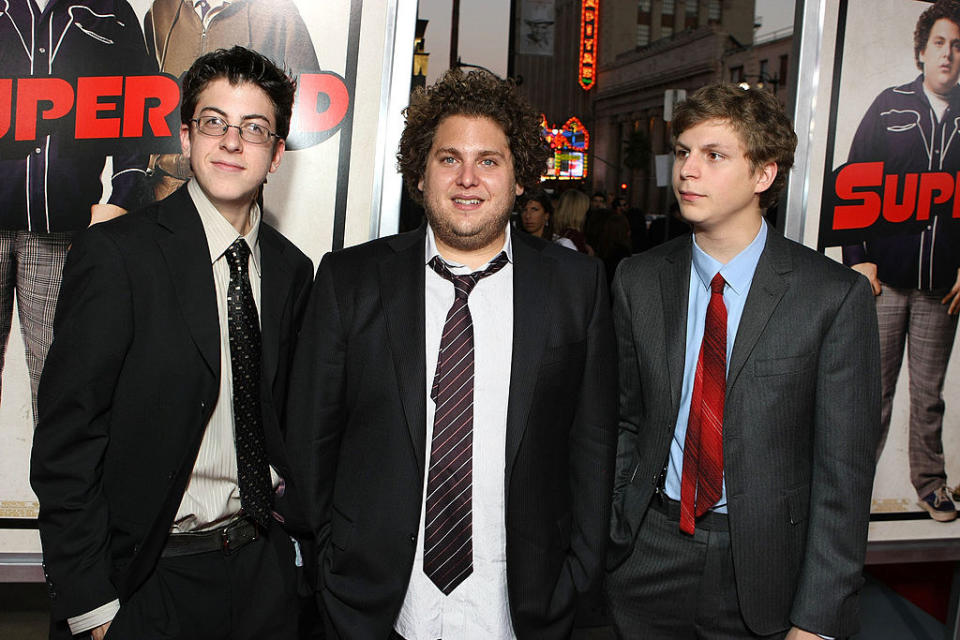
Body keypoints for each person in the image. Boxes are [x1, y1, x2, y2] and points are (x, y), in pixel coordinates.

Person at [285, 68, 618, 639]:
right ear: (420, 173)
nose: (468, 178)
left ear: (519, 180)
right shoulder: (351, 281)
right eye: (448, 159)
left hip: (522, 610)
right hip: (376, 608)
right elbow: (312, 444)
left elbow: (593, 447)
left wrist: (577, 576)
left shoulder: (576, 286)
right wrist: (331, 573)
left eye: (489, 160)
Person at [31, 46, 314, 640]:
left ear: (277, 153)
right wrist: (92, 604)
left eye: (254, 128)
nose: (232, 142)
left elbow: (290, 421)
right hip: (149, 579)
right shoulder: (118, 256)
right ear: (186, 138)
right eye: (214, 122)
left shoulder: (293, 271)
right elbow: (66, 441)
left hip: (263, 574)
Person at [606, 83, 881, 639]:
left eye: (714, 155)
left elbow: (843, 476)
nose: (688, 170)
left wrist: (818, 618)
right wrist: (618, 521)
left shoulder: (831, 295)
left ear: (763, 175)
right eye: (684, 151)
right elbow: (623, 417)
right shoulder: (637, 278)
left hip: (765, 567)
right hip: (647, 551)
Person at [0, 0, 153, 423]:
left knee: (59, 384)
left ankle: (55, 491)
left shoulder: (112, 10)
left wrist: (122, 198)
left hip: (63, 229)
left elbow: (135, 107)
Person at [842, 0, 960, 522]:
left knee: (927, 396)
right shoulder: (890, 106)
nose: (949, 54)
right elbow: (852, 182)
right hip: (884, 281)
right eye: (939, 42)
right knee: (875, 392)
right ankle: (850, 487)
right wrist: (857, 259)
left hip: (941, 288)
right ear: (921, 50)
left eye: (958, 45)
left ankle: (930, 483)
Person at [143, 0, 322, 201]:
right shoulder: (162, 8)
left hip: (238, 195)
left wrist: (253, 133)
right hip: (164, 188)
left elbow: (310, 102)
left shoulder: (278, 12)